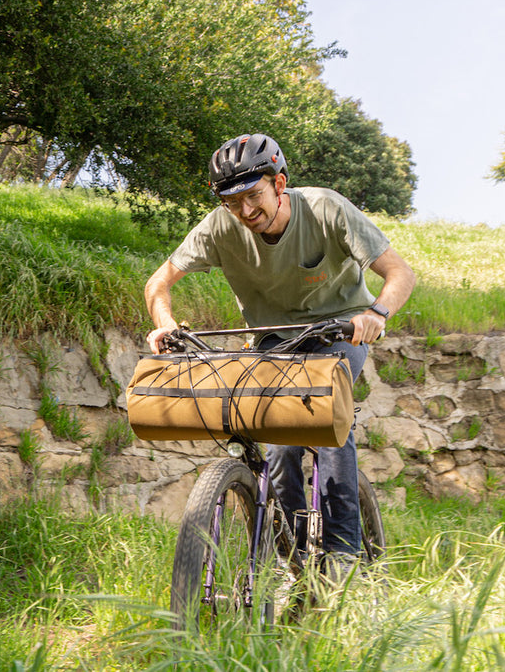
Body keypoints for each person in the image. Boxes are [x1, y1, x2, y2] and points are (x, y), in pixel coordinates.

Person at [143, 133, 415, 563]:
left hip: (340, 331)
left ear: (279, 184)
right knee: (279, 442)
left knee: (324, 415)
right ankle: (294, 560)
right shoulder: (219, 227)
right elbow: (158, 283)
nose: (246, 211)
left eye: (254, 196)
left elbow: (400, 273)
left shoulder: (326, 208)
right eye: (234, 203)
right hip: (273, 339)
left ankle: (343, 553)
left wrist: (376, 313)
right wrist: (164, 324)